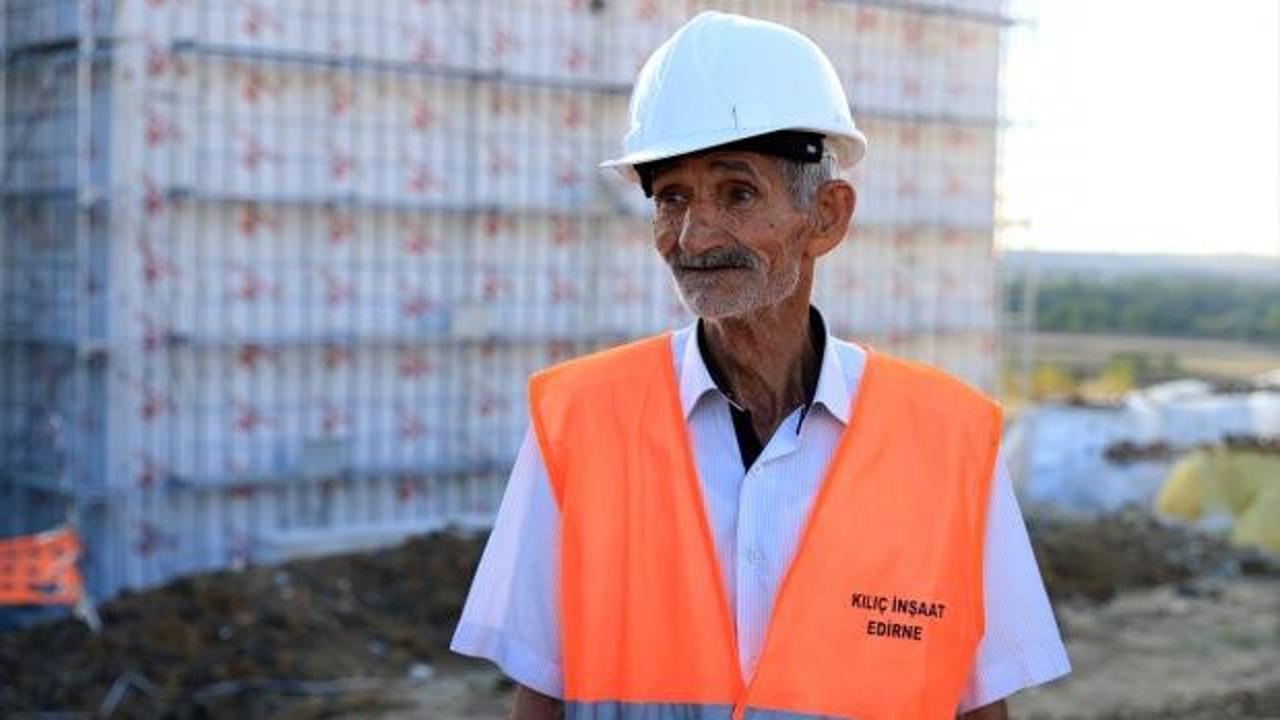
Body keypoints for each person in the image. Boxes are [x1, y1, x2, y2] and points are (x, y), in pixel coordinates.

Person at [452, 11, 1070, 719]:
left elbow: (978, 702)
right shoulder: (580, 423)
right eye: (670, 197)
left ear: (827, 217)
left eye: (737, 193)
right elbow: (542, 696)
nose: (693, 234)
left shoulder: (948, 439)